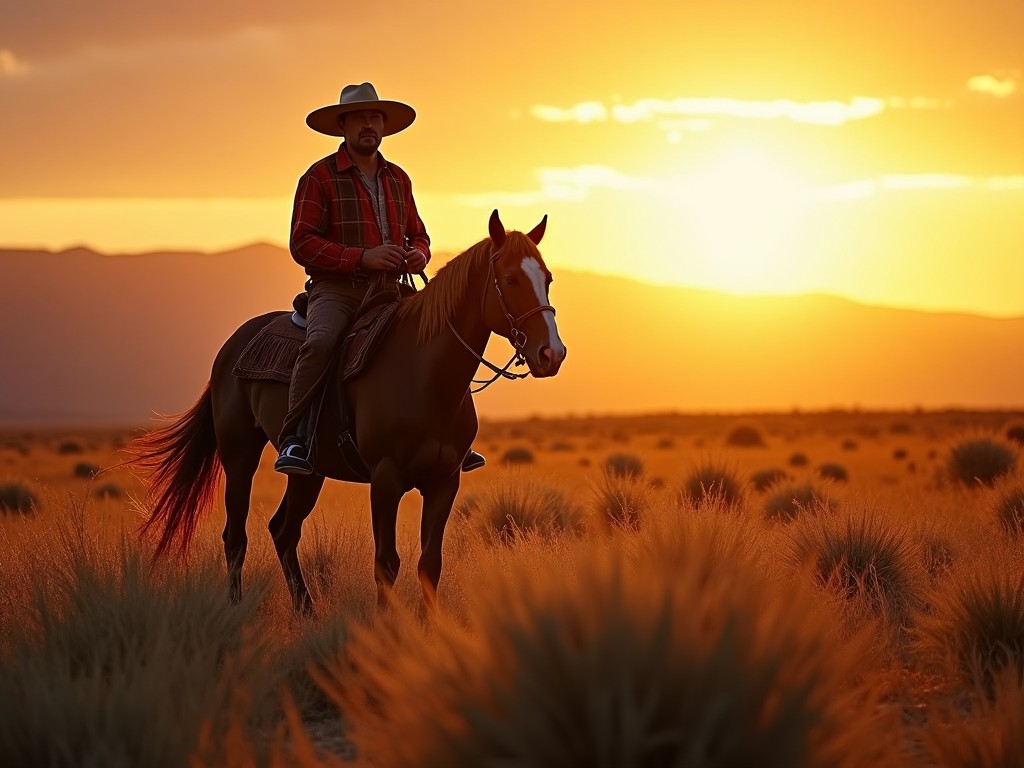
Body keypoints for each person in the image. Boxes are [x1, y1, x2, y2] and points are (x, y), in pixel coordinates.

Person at [275, 82, 485, 476]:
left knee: (440, 337)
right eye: (359, 118)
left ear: (384, 126)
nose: (368, 125)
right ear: (343, 126)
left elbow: (419, 233)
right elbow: (302, 243)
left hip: (392, 290)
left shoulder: (397, 179)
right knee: (320, 344)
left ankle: (454, 438)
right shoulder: (319, 177)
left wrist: (417, 254)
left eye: (375, 118)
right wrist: (362, 257)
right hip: (337, 290)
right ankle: (296, 438)